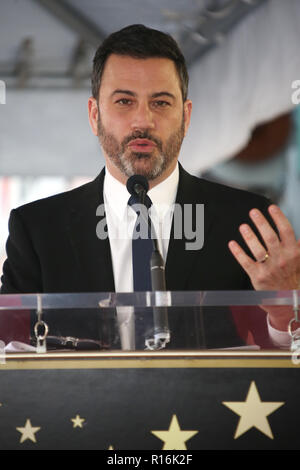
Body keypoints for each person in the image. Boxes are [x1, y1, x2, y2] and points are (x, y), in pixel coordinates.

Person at [1, 25, 300, 348]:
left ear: (185, 117)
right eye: (124, 101)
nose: (143, 121)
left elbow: (280, 370)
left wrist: (287, 314)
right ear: (94, 115)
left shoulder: (247, 221)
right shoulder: (38, 229)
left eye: (160, 103)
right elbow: (9, 350)